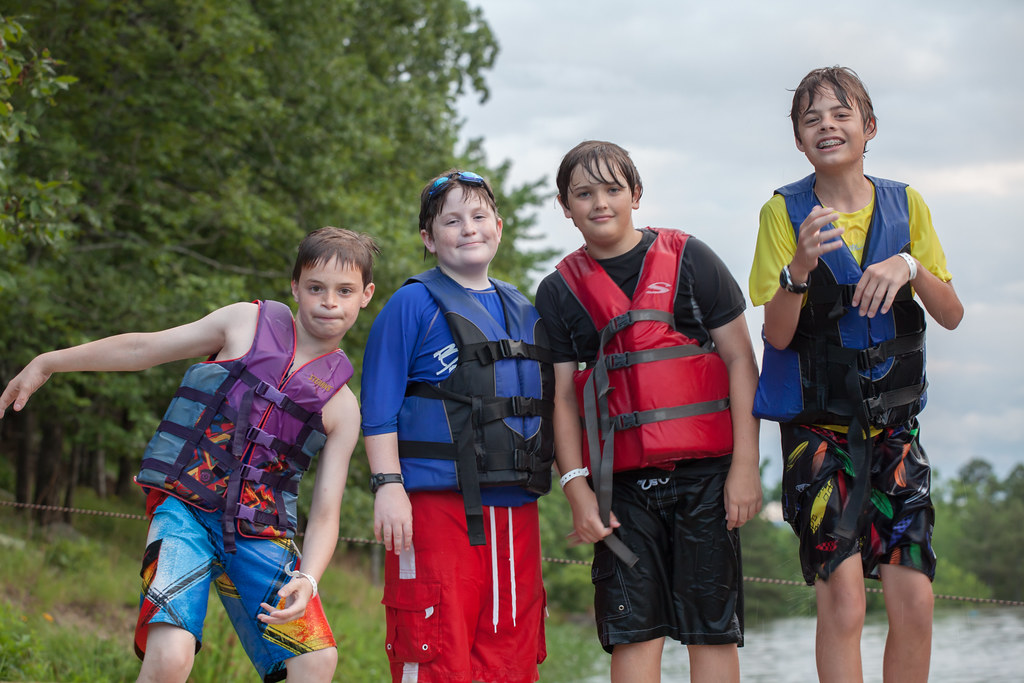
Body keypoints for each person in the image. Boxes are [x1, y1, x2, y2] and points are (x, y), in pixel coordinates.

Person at [0, 226, 379, 683]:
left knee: (316, 661)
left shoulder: (342, 407)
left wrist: (309, 578)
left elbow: (325, 517)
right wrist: (48, 362)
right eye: (316, 287)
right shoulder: (244, 323)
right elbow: (143, 348)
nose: (329, 302)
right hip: (186, 511)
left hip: (259, 532)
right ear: (295, 286)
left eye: (345, 291)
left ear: (366, 296)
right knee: (171, 657)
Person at [748, 66, 964, 682]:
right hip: (818, 432)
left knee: (915, 600)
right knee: (843, 598)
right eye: (811, 118)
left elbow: (950, 313)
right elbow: (778, 335)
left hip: (894, 430)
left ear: (869, 128)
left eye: (841, 115)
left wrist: (910, 265)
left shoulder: (907, 205)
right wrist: (800, 267)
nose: (827, 126)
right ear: (797, 139)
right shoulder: (782, 213)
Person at [535, 140, 762, 683]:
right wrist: (576, 489)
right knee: (632, 633)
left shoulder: (693, 261)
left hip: (708, 479)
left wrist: (745, 468)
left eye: (612, 189)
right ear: (565, 207)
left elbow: (740, 361)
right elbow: (563, 398)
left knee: (711, 629)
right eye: (583, 194)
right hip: (620, 491)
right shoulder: (558, 291)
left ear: (636, 194)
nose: (600, 203)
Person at [361, 170, 554, 683]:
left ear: (498, 225)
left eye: (478, 216)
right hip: (436, 511)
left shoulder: (524, 308)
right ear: (429, 238)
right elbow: (377, 409)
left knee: (512, 657)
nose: (468, 228)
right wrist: (388, 486)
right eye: (451, 221)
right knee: (436, 655)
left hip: (516, 513)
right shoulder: (411, 305)